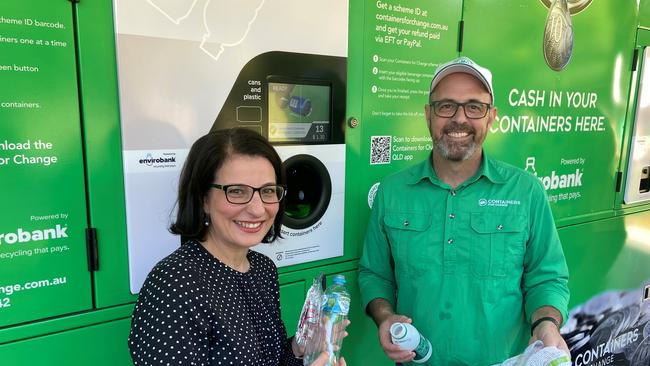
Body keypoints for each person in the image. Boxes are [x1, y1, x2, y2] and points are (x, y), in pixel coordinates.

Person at [358, 57, 570, 365]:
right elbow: (374, 273)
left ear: (491, 117)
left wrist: (546, 324)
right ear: (428, 115)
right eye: (446, 106)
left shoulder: (526, 191)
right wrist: (385, 317)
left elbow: (547, 277)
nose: (460, 119)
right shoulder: (392, 192)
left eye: (474, 106)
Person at [128, 128, 347, 366]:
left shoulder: (263, 269)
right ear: (203, 198)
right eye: (237, 191)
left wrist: (300, 347)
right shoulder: (174, 283)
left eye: (267, 191)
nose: (257, 208)